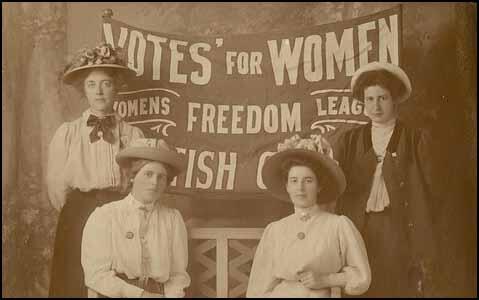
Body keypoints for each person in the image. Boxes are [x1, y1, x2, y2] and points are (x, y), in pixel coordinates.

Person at [332, 62, 439, 297]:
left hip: (397, 229)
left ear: (395, 99)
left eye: (383, 98)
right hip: (358, 229)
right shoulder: (349, 141)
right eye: (370, 99)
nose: (376, 106)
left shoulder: (414, 139)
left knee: (394, 287)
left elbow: (430, 192)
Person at [47, 43, 144, 297]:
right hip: (79, 214)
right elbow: (57, 189)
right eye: (92, 85)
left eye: (106, 84)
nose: (99, 92)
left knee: (118, 281)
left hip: (119, 213)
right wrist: (80, 209)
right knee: (75, 283)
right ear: (83, 90)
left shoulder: (132, 134)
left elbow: (139, 182)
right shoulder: (67, 134)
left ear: (117, 87)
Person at [246, 134, 371, 298]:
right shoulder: (275, 230)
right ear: (287, 186)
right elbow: (258, 289)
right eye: (294, 181)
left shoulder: (338, 225)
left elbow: (361, 276)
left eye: (308, 181)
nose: (300, 188)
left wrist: (326, 280)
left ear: (319, 186)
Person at [81, 138, 191, 298]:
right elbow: (96, 275)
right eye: (148, 174)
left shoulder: (172, 219)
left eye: (161, 177)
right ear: (132, 176)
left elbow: (178, 275)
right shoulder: (105, 216)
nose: (154, 182)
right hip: (116, 294)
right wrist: (141, 295)